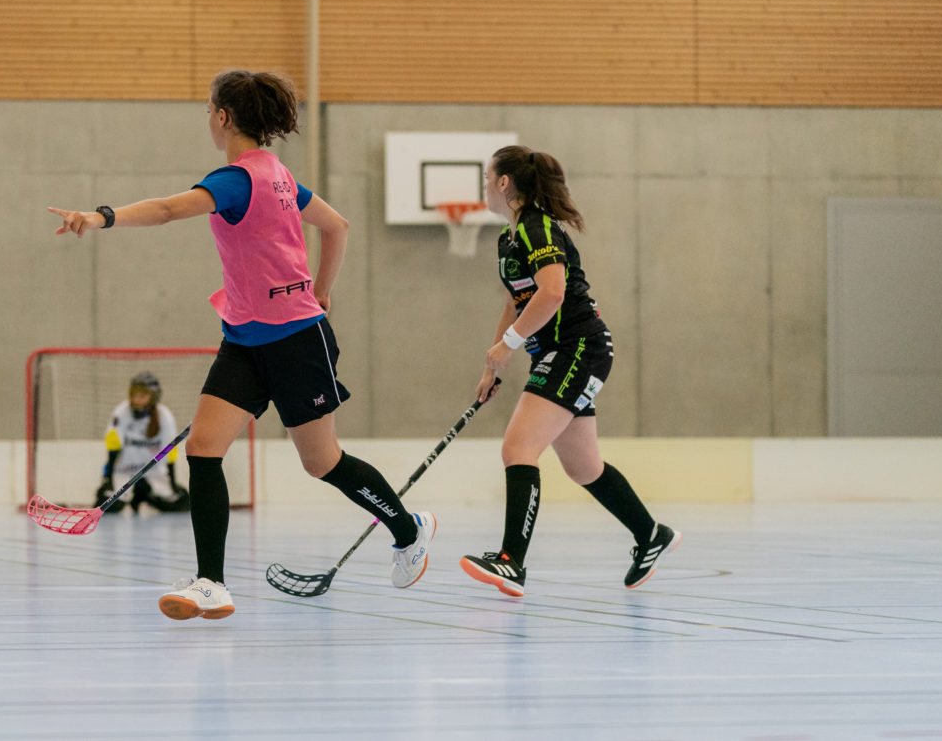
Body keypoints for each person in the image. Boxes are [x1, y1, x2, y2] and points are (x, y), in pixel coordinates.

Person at [49, 68, 435, 621]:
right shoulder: (278, 175)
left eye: (209, 109)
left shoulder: (236, 179)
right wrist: (322, 290)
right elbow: (337, 226)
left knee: (322, 462)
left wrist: (99, 216)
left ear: (224, 116)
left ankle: (408, 530)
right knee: (204, 448)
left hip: (298, 342)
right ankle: (212, 583)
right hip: (245, 340)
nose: (208, 118)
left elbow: (165, 209)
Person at [460, 146, 680, 596]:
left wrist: (510, 345)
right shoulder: (510, 237)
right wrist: (494, 361)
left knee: (518, 446)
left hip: (577, 348)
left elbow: (553, 293)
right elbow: (516, 301)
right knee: (583, 467)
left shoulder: (538, 228)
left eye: (488, 177)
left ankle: (510, 562)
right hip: (559, 352)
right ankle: (651, 534)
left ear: (505, 183)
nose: (485, 184)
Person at [94, 371, 189, 513]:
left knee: (183, 502)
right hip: (124, 473)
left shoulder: (165, 416)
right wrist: (108, 479)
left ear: (153, 397)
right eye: (134, 394)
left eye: (142, 395)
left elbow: (170, 451)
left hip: (154, 474)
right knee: (105, 503)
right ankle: (135, 497)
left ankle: (146, 496)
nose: (137, 399)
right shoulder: (121, 412)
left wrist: (173, 483)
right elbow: (113, 446)